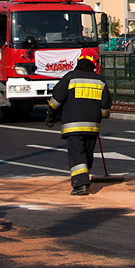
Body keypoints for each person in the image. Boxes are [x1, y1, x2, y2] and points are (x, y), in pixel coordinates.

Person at [47, 53, 111, 195]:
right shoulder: (100, 81)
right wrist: (103, 114)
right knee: (87, 154)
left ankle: (81, 184)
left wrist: (50, 115)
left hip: (73, 125)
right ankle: (84, 177)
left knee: (77, 154)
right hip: (93, 126)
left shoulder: (70, 77)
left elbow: (56, 99)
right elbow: (105, 108)